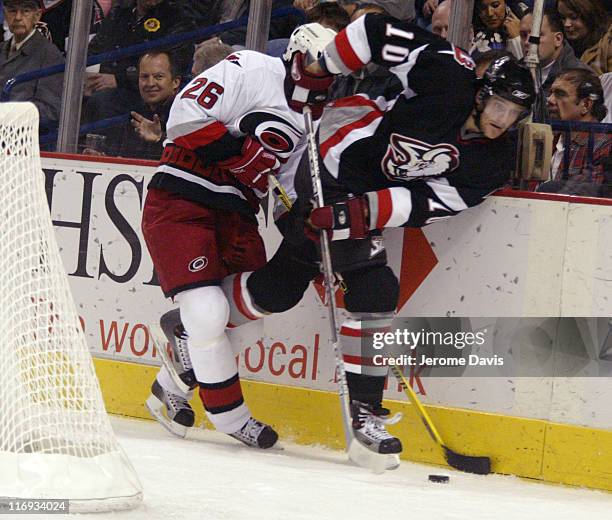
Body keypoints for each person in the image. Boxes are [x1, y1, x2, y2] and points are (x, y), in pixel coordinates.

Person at [221, 15, 535, 456]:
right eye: (499, 107)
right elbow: (373, 31)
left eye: (514, 115)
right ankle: (365, 415)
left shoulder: (492, 163)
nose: (504, 121)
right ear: (481, 96)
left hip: (359, 194)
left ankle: (198, 323)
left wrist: (358, 212)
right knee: (374, 288)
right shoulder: (448, 77)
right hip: (326, 160)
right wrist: (324, 68)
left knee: (284, 285)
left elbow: (432, 203)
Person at [142, 23, 337, 447]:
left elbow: (283, 185)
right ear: (298, 55)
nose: (325, 73)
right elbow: (184, 114)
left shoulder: (313, 116)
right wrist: (235, 153)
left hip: (237, 210)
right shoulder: (252, 68)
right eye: (320, 62)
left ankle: (168, 384)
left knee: (247, 324)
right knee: (209, 313)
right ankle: (232, 419)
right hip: (183, 193)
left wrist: (307, 237)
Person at [84, 0, 196, 124]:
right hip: (105, 85)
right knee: (71, 95)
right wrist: (85, 78)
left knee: (103, 101)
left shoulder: (177, 18)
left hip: (147, 93)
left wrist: (119, 80)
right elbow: (95, 49)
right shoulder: (119, 13)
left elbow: (174, 65)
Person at [539, 68, 610, 196]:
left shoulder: (604, 145)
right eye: (551, 93)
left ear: (586, 104)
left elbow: (587, 200)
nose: (550, 100)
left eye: (560, 94)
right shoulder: (545, 138)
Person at [519, 8, 591, 118]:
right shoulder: (514, 71)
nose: (527, 42)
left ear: (557, 39)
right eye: (523, 35)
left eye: (537, 35)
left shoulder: (582, 76)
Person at [0, 0, 64, 123]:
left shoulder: (50, 55)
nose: (18, 17)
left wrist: (9, 113)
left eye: (26, 11)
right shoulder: (1, 48)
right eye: (12, 11)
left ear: (37, 16)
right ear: (5, 14)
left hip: (20, 134)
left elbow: (50, 110)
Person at [556, 0, 611, 75]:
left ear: (589, 14)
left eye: (573, 17)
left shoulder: (608, 44)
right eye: (563, 18)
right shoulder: (560, 47)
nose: (566, 24)